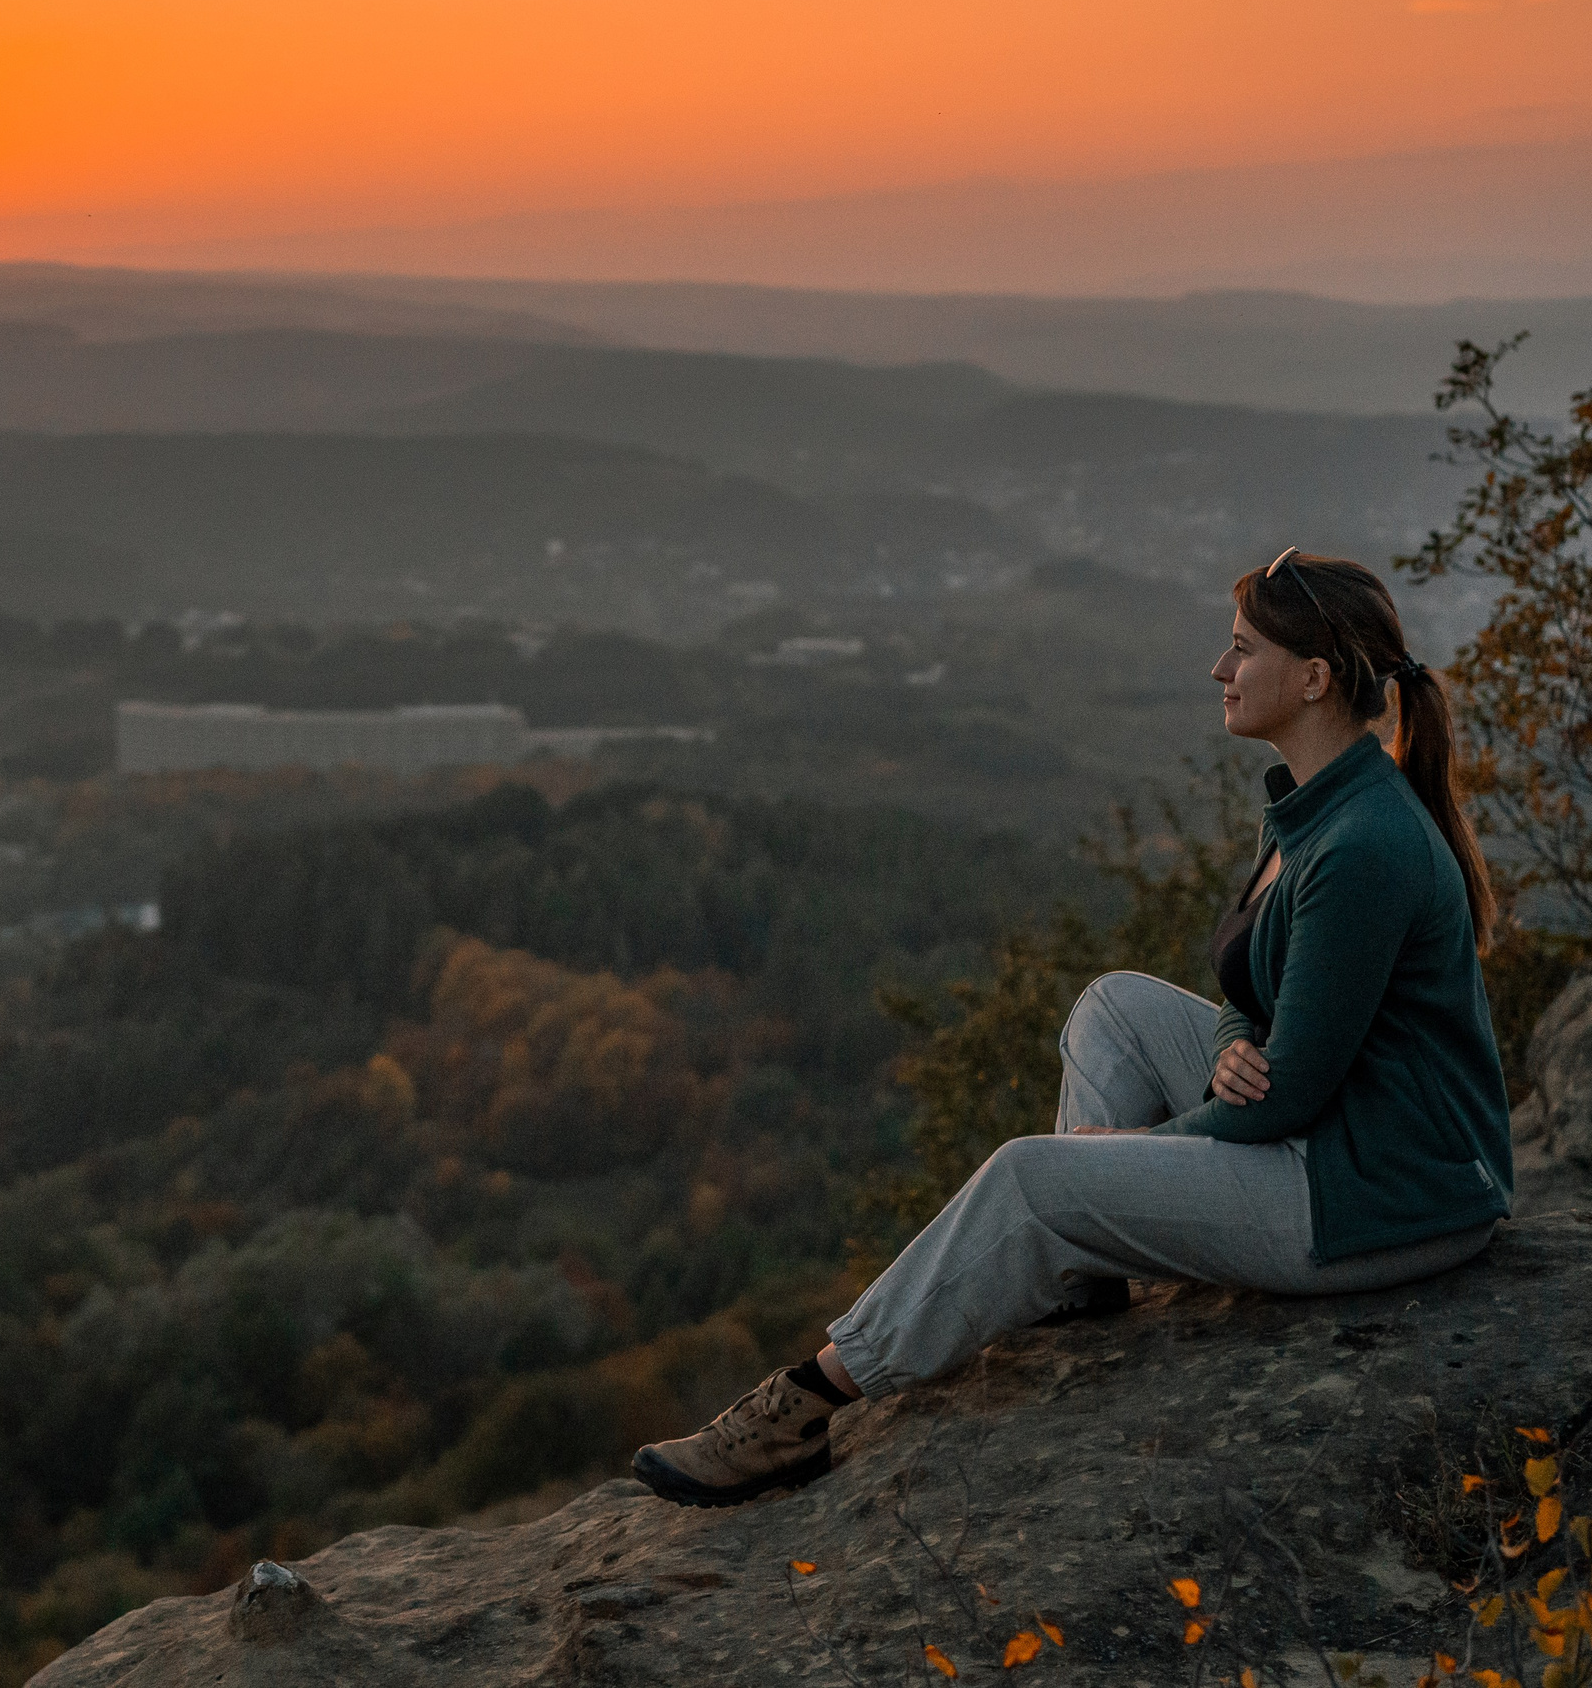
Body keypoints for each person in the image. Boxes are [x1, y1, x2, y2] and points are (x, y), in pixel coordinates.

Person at [631, 549, 1511, 1508]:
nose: (1220, 671)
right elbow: (1246, 987)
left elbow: (1286, 1096)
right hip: (1337, 1128)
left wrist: (1132, 1148)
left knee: (1030, 1175)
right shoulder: (1310, 805)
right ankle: (1082, 1271)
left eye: (1242, 650)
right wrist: (1225, 1045)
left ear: (1313, 677)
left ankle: (806, 1401)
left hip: (1382, 1194)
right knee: (1113, 1006)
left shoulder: (1363, 845)